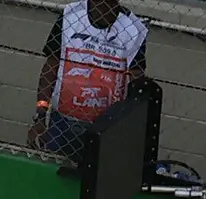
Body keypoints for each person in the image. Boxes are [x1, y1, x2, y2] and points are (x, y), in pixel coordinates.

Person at [34, 0, 150, 160]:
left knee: (98, 178)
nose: (103, 6)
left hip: (106, 128)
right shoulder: (71, 16)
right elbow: (51, 66)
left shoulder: (133, 29)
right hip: (62, 122)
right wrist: (40, 115)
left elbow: (136, 85)